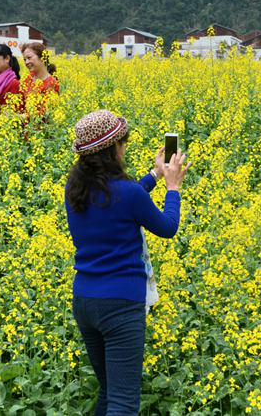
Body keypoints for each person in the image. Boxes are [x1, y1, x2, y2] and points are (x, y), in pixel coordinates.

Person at [65, 110, 189, 415]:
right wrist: (173, 187)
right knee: (123, 404)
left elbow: (122, 199)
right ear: (112, 149)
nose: (125, 148)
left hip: (85, 300)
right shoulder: (127, 193)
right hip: (120, 304)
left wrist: (156, 175)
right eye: (123, 142)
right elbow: (167, 227)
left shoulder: (75, 189)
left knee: (108, 393)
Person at [20, 42, 60, 116]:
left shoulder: (52, 83)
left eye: (29, 58)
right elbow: (20, 102)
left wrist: (23, 117)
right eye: (24, 60)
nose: (26, 62)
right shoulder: (28, 79)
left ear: (42, 57)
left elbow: (46, 113)